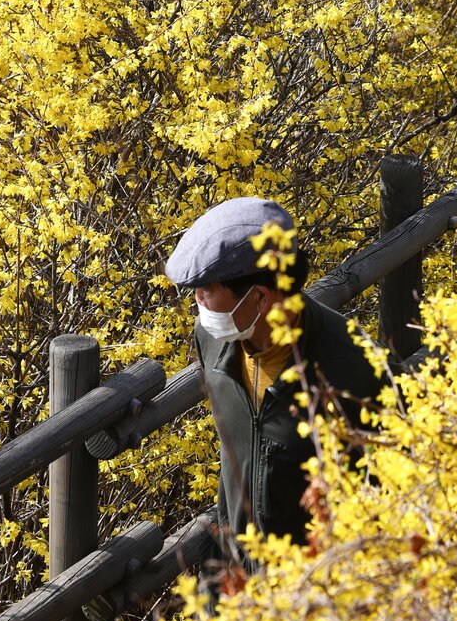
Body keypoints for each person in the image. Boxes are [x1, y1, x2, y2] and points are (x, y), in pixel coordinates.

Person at [165, 197, 391, 570]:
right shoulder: (214, 339)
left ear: (259, 298)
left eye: (207, 290)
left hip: (319, 593)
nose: (197, 301)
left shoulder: (352, 367)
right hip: (241, 582)